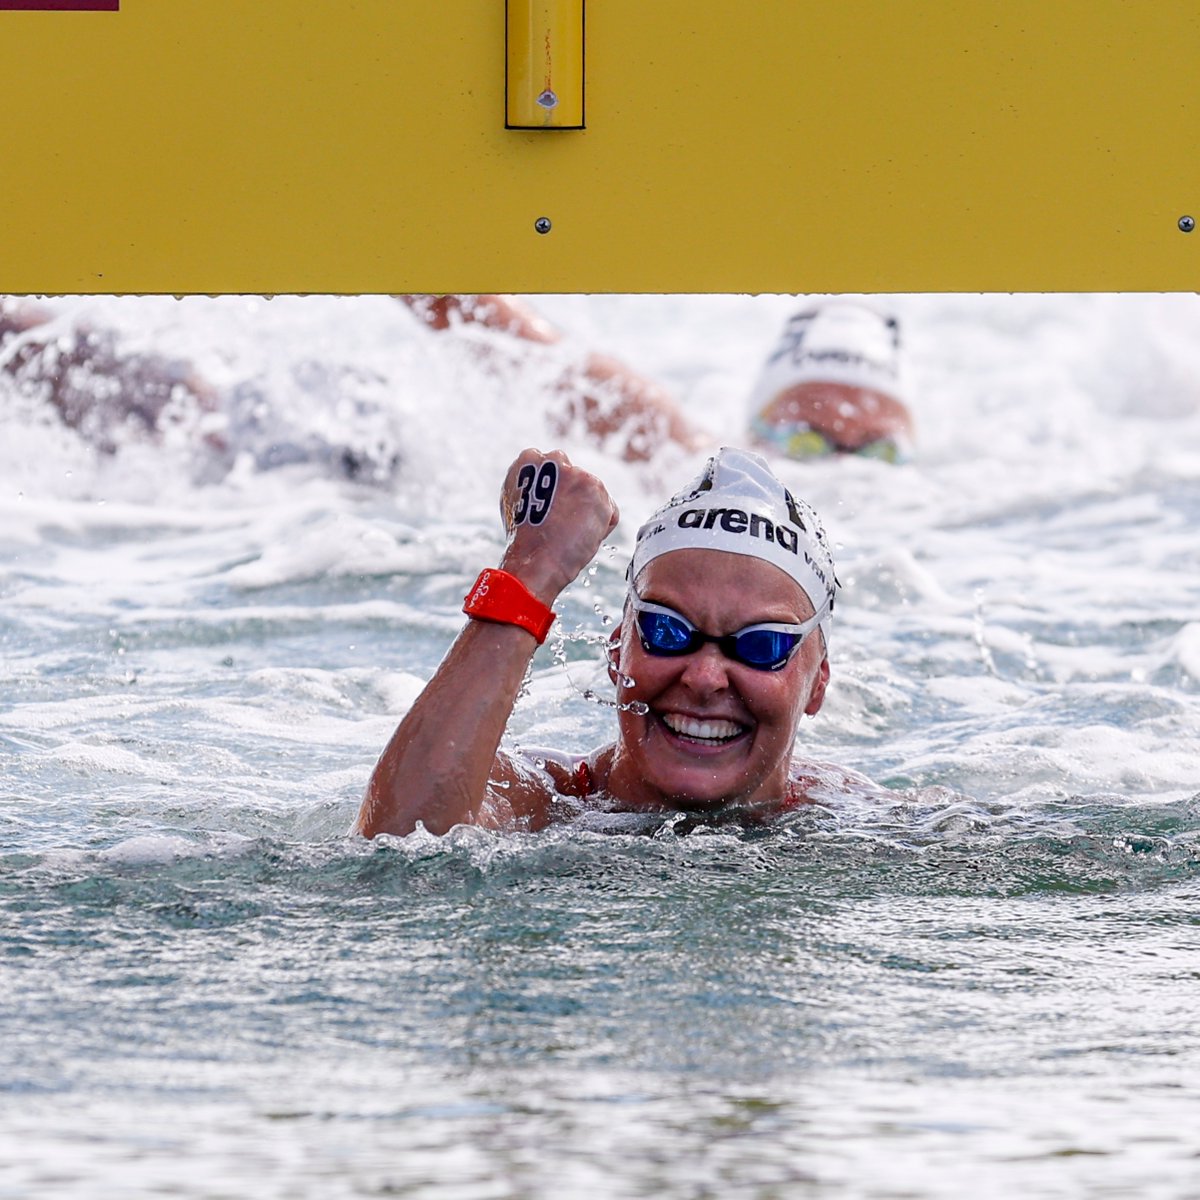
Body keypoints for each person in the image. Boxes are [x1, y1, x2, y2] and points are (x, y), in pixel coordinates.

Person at [356, 444, 877, 838]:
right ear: (616, 650)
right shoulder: (549, 800)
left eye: (762, 645)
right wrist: (531, 572)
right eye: (666, 630)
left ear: (818, 683)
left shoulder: (857, 821)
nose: (704, 678)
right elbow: (404, 844)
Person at [401, 293, 915, 464]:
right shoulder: (684, 459)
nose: (845, 467)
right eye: (807, 441)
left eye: (880, 450)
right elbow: (514, 342)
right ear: (755, 428)